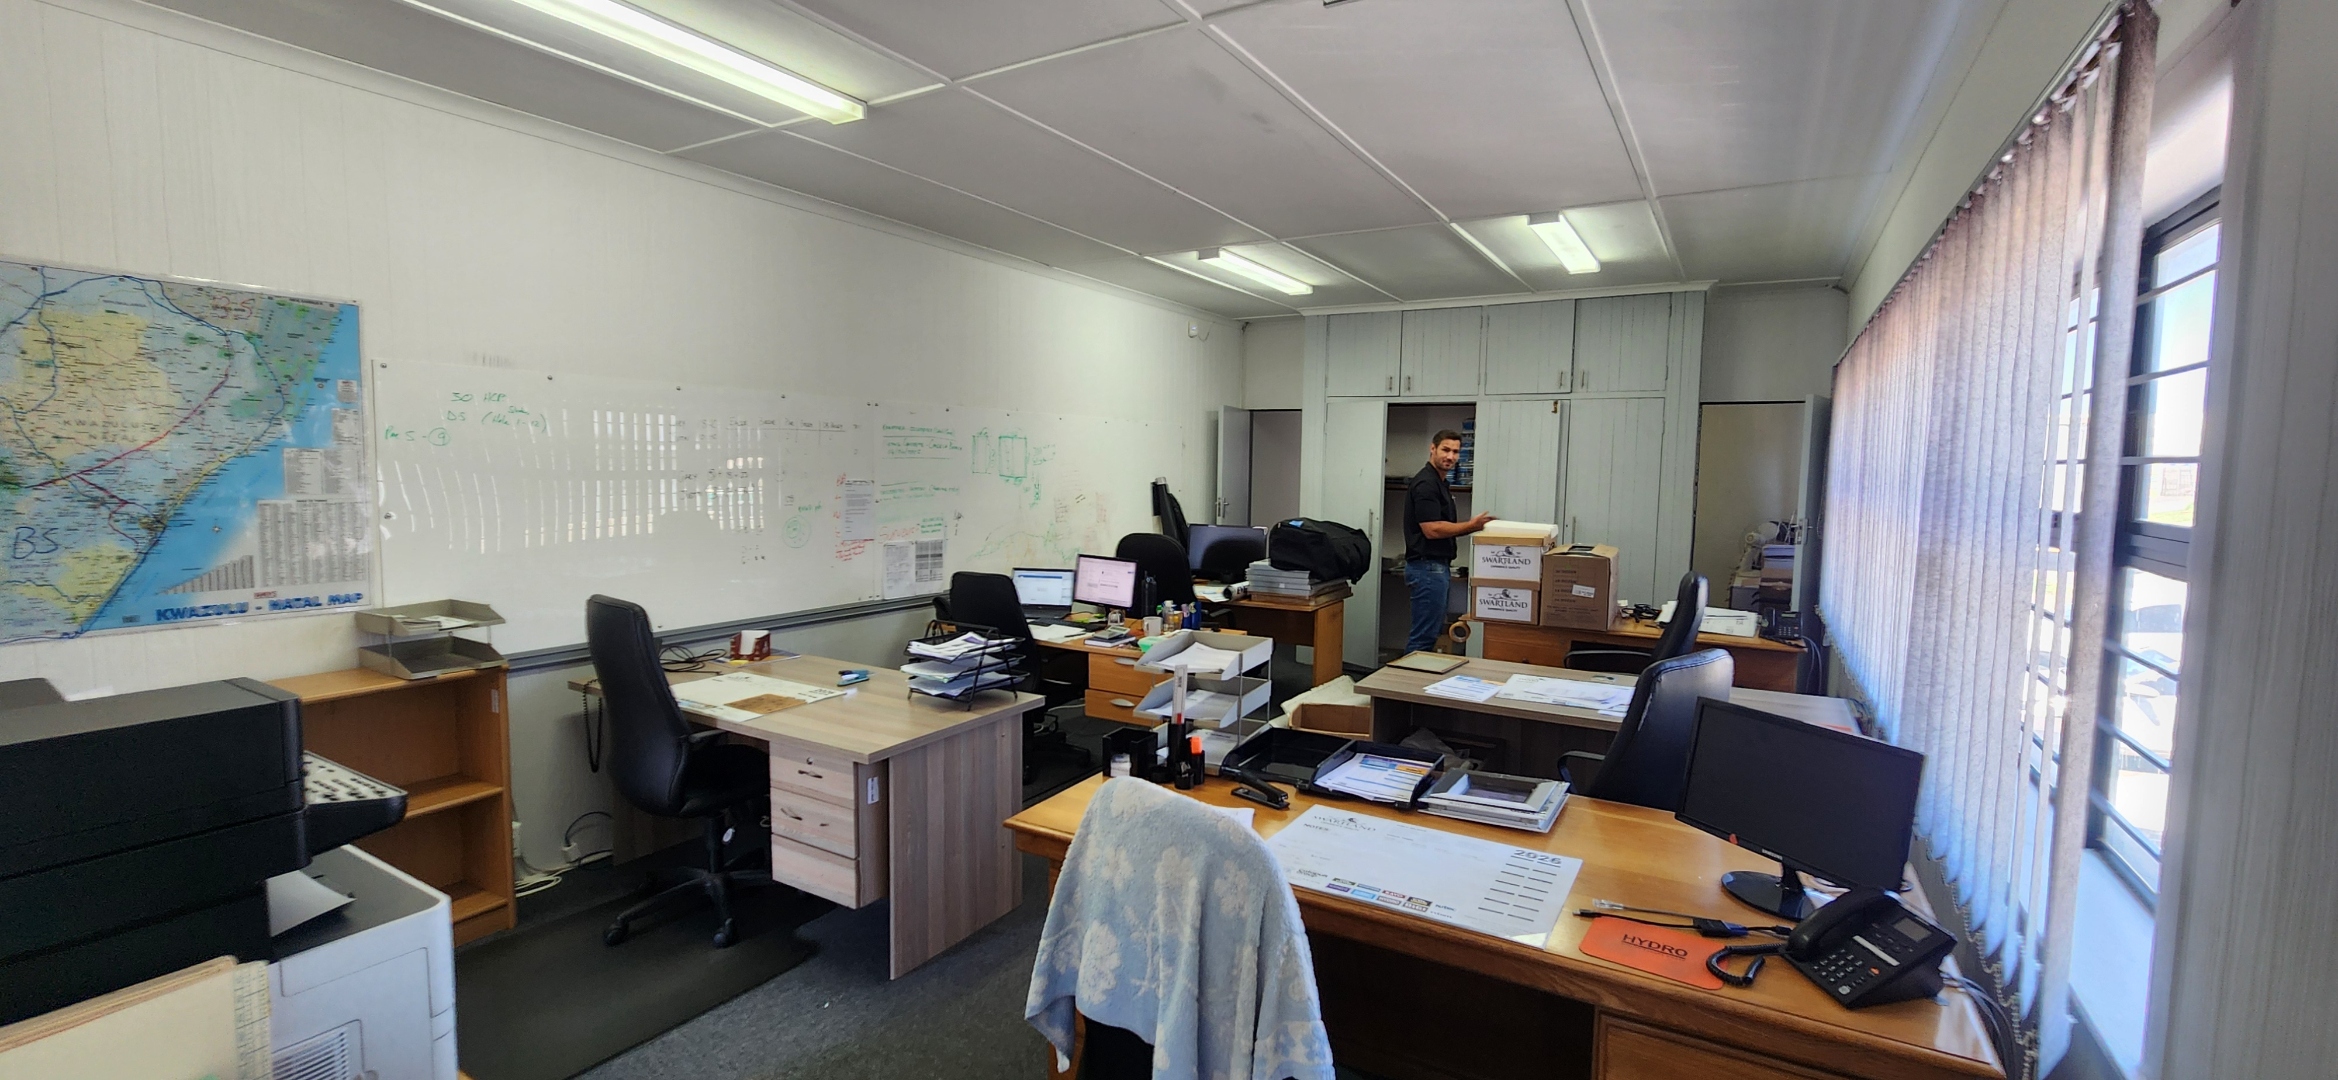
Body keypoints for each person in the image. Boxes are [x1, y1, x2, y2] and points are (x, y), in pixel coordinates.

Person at [1403, 430, 1493, 654]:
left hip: (1435, 568)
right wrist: (1471, 526)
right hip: (1427, 568)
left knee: (1429, 634)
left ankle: (1416, 674)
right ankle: (1407, 676)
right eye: (1445, 450)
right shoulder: (1426, 484)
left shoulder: (1440, 483)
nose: (1450, 456)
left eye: (1455, 452)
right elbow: (1432, 529)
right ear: (1432, 448)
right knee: (1423, 638)